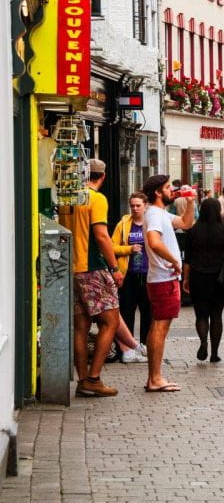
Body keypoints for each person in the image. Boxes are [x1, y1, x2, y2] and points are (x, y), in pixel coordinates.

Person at [60, 159, 125, 397]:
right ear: (103, 176)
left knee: (81, 326)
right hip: (92, 267)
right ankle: (94, 379)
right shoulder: (96, 198)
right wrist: (114, 267)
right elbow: (101, 235)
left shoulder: (70, 198)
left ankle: (82, 379)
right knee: (111, 322)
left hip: (72, 268)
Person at [142, 174, 195, 392]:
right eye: (167, 187)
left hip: (164, 277)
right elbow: (154, 242)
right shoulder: (154, 214)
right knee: (160, 327)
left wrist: (190, 202)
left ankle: (153, 377)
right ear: (157, 192)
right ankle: (155, 378)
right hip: (164, 277)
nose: (172, 190)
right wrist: (174, 260)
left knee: (159, 325)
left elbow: (185, 223)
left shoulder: (160, 213)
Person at [182, 198, 224, 363]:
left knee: (201, 315)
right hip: (220, 279)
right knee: (216, 315)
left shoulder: (193, 230)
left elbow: (188, 258)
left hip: (198, 277)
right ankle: (215, 353)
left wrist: (186, 278)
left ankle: (203, 342)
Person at [112, 192, 152, 354]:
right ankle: (127, 348)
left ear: (145, 206)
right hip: (129, 274)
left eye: (138, 205)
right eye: (132, 205)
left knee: (148, 312)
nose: (135, 209)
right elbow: (111, 247)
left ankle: (145, 345)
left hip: (149, 274)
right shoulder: (123, 224)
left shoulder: (151, 224)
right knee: (127, 311)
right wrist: (129, 249)